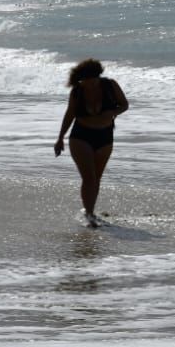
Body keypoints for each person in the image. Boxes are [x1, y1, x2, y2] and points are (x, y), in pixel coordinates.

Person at [54, 58, 129, 227]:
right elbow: (69, 114)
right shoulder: (77, 91)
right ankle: (88, 215)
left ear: (98, 76)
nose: (91, 83)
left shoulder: (110, 86)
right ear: (82, 79)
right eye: (87, 80)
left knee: (97, 178)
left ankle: (90, 211)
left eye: (94, 79)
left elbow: (124, 104)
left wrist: (114, 112)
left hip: (105, 136)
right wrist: (60, 138)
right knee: (88, 178)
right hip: (81, 136)